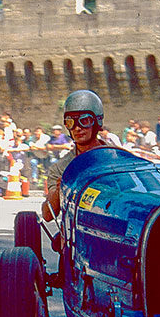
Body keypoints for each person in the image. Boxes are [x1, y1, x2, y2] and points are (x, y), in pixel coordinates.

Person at [42, 90, 109, 222]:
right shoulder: (60, 168)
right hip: (75, 233)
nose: (77, 128)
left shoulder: (117, 159)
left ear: (97, 122)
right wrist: (60, 189)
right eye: (71, 122)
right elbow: (48, 215)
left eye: (84, 121)